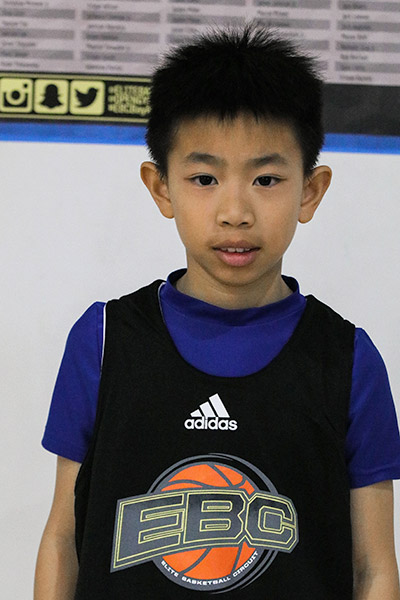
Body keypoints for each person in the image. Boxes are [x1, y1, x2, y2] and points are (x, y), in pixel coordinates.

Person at [34, 24, 400, 599]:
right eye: (204, 178)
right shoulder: (103, 340)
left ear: (310, 191)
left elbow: (373, 568)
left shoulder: (348, 360)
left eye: (266, 179)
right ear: (161, 188)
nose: (235, 211)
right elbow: (63, 538)